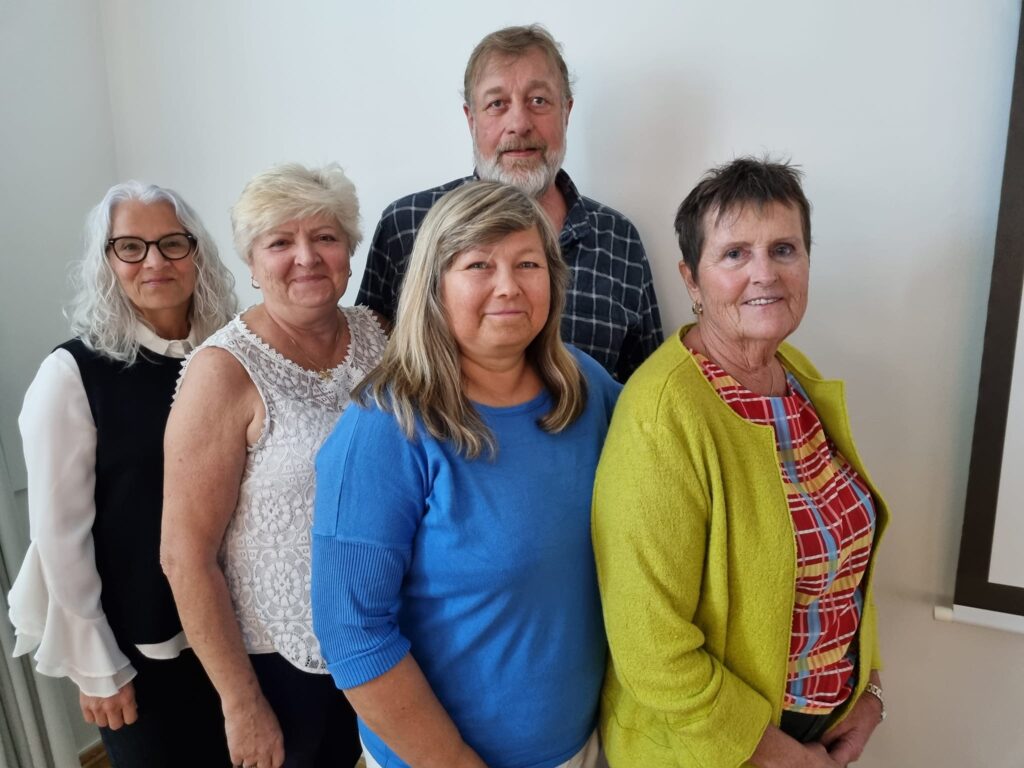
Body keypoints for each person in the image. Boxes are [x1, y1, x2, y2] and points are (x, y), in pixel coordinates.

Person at [592, 158, 891, 768]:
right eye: (734, 254)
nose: (766, 274)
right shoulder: (662, 415)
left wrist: (870, 692)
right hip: (710, 751)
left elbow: (843, 564)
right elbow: (652, 649)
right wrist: (775, 755)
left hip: (821, 729)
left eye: (785, 248)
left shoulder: (799, 377)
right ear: (691, 280)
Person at [312, 181, 621, 768]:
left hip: (582, 746)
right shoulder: (384, 427)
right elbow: (353, 633)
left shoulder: (586, 388)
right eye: (479, 264)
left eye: (528, 263)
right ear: (434, 286)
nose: (508, 285)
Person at [161, 163, 387, 768]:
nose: (306, 257)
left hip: (391, 642)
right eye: (281, 242)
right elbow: (184, 556)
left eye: (325, 237)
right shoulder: (221, 372)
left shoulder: (381, 337)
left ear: (350, 250)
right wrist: (242, 704)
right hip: (286, 670)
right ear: (252, 264)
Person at [7, 182, 237, 766]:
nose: (155, 261)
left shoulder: (228, 355)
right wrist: (96, 665)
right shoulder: (72, 374)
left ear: (198, 253)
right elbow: (59, 537)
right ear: (106, 262)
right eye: (129, 247)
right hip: (141, 644)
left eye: (171, 243)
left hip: (237, 630)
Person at [357, 24, 662, 381]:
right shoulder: (406, 225)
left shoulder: (618, 239)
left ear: (567, 111)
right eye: (497, 104)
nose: (518, 123)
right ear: (471, 119)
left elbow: (646, 392)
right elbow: (367, 370)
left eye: (539, 101)